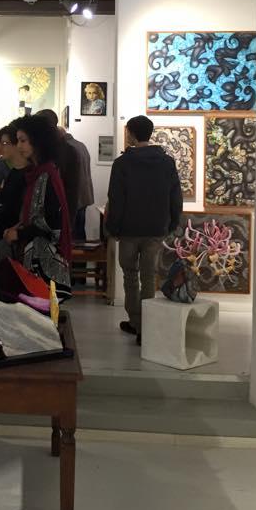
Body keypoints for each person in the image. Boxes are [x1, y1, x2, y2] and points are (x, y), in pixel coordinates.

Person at [105, 114, 183, 345]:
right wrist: (172, 222)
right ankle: (146, 328)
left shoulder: (122, 164)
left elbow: (116, 199)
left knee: (130, 276)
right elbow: (175, 196)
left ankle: (135, 322)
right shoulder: (166, 162)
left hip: (128, 230)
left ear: (130, 133)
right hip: (156, 228)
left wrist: (112, 228)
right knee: (149, 276)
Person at [2, 115, 72, 299]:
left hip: (42, 257)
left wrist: (20, 233)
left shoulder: (46, 174)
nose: (19, 146)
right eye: (18, 141)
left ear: (37, 141)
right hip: (34, 252)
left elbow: (51, 222)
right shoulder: (39, 172)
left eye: (23, 140)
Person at [36, 109, 81, 225]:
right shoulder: (41, 149)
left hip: (55, 215)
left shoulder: (67, 151)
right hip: (43, 213)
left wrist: (68, 221)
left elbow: (72, 189)